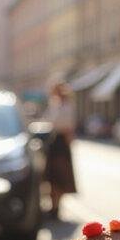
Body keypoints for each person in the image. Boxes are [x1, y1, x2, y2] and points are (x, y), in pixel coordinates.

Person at [43, 82, 78, 217]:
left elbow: (67, 127)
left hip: (60, 143)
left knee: (59, 177)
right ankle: (53, 205)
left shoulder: (66, 107)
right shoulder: (54, 105)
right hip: (53, 142)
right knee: (52, 177)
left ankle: (56, 207)